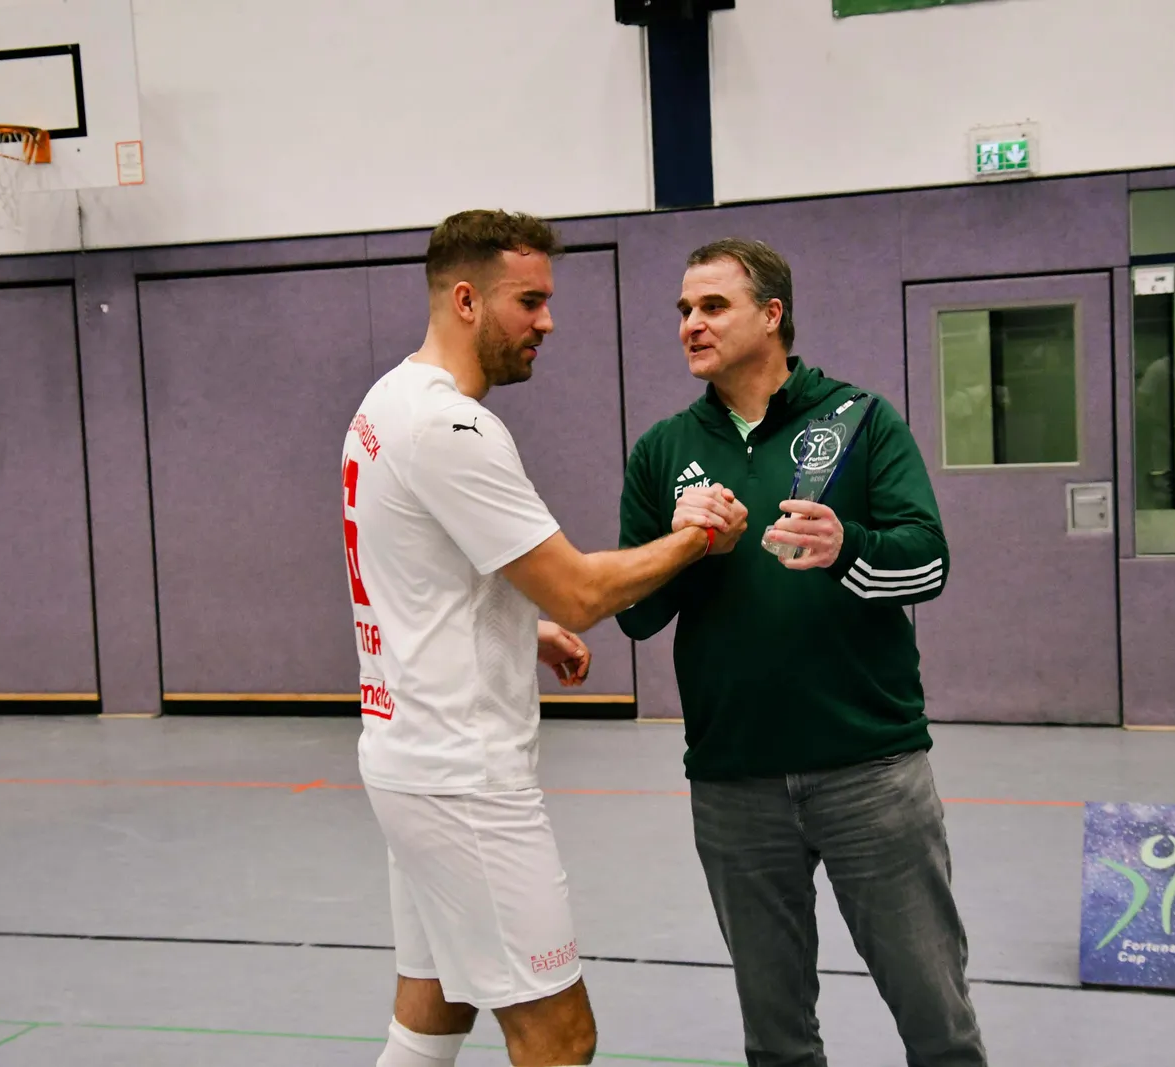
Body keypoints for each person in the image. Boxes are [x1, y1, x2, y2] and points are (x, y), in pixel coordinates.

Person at [341, 210, 748, 1067]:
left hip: (407, 759)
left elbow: (415, 575)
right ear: (466, 300)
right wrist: (695, 537)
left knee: (434, 1011)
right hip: (465, 777)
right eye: (529, 301)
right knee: (560, 1037)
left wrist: (522, 627)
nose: (547, 322)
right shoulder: (452, 429)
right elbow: (582, 589)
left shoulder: (385, 403)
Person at [615, 238, 988, 1067]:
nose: (690, 323)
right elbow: (634, 615)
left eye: (713, 306)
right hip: (733, 781)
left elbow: (928, 565)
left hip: (870, 771)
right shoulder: (663, 451)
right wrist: (683, 547)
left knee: (938, 1021)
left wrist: (845, 545)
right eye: (683, 309)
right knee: (777, 1039)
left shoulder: (860, 420)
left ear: (772, 315)